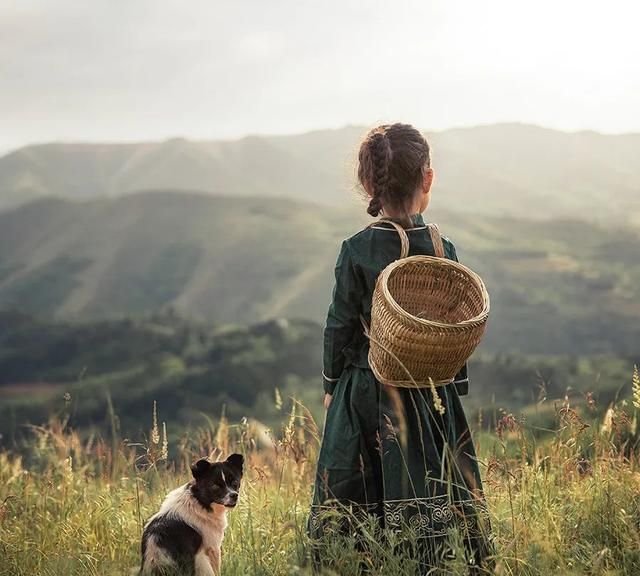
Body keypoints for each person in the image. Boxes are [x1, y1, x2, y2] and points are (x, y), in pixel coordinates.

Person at [308, 123, 493, 573]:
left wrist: (332, 383)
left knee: (358, 482)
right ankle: (435, 560)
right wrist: (453, 382)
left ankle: (361, 562)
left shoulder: (357, 250)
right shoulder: (442, 248)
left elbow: (339, 324)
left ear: (368, 184)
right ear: (427, 179)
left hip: (368, 388)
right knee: (432, 477)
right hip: (432, 389)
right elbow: (454, 321)